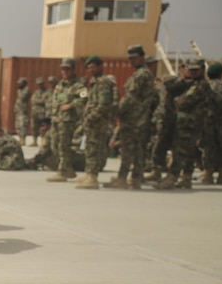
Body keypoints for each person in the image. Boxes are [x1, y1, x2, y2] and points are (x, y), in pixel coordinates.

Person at [156, 59, 214, 190]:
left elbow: (183, 101)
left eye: (196, 70)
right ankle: (186, 178)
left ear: (202, 70)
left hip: (190, 123)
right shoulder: (191, 83)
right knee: (189, 150)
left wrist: (177, 98)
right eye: (191, 70)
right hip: (187, 122)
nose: (193, 73)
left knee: (180, 150)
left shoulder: (201, 85)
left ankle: (172, 177)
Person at [106, 45, 157, 190]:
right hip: (142, 118)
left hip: (134, 119)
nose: (132, 61)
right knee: (139, 150)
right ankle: (136, 178)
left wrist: (118, 112)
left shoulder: (141, 75)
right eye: (130, 59)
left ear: (141, 56)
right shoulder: (146, 74)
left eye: (134, 58)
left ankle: (122, 178)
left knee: (128, 149)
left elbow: (130, 98)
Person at [74, 56, 118, 189]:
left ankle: (92, 177)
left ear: (100, 66)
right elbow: (85, 99)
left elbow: (103, 105)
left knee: (94, 148)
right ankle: (89, 174)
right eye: (88, 68)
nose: (90, 70)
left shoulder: (103, 82)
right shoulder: (94, 82)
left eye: (93, 67)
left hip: (97, 122)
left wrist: (90, 118)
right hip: (91, 121)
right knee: (89, 148)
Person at [46, 58, 85, 182]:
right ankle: (68, 169)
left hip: (68, 120)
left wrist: (71, 105)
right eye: (63, 69)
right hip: (56, 119)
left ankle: (62, 172)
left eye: (67, 69)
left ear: (73, 69)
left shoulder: (79, 86)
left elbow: (84, 98)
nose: (64, 71)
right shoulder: (59, 85)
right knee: (54, 145)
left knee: (64, 146)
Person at [203, 62, 222, 184]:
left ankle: (208, 174)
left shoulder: (205, 86)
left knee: (208, 147)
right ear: (221, 74)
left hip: (207, 121)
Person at [31, 77, 51, 147]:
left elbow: (46, 102)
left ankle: (43, 141)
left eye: (41, 84)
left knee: (43, 127)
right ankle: (34, 141)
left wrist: (38, 101)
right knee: (34, 127)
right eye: (39, 84)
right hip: (35, 112)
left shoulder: (48, 92)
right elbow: (32, 100)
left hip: (42, 113)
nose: (40, 85)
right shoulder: (36, 92)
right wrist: (39, 101)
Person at [13, 77, 31, 144]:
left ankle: (23, 139)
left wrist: (19, 90)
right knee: (18, 125)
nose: (19, 84)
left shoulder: (26, 90)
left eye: (20, 83)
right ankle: (20, 138)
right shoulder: (20, 90)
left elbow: (22, 97)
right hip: (18, 110)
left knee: (23, 125)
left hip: (23, 111)